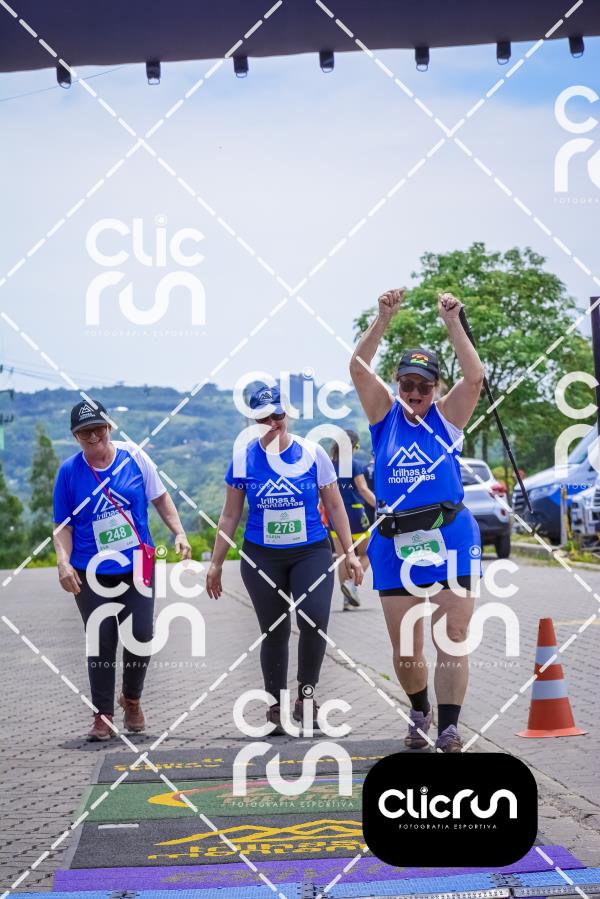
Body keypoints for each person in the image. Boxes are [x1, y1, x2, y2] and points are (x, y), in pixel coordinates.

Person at [349, 290, 484, 753]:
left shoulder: (447, 418)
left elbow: (475, 376)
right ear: (397, 383)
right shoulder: (384, 417)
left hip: (450, 536)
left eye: (424, 386)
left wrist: (453, 322)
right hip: (395, 542)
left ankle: (449, 727)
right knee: (407, 647)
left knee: (453, 634)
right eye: (407, 384)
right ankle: (419, 709)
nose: (414, 393)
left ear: (436, 388)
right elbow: (357, 368)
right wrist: (382, 318)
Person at [206, 385, 363, 733]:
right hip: (262, 556)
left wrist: (350, 554)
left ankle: (306, 698)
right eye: (264, 418)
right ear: (254, 421)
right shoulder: (244, 458)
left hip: (311, 551)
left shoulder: (312, 453)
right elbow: (230, 515)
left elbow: (335, 505)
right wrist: (216, 563)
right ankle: (276, 706)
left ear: (287, 414)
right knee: (274, 630)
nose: (273, 423)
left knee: (314, 620)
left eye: (277, 415)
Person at [53, 400, 192, 741]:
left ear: (109, 427)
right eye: (85, 432)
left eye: (98, 428)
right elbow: (63, 526)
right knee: (101, 638)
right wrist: (63, 561)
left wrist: (179, 533)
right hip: (90, 568)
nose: (93, 436)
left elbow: (160, 498)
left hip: (138, 562)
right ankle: (103, 716)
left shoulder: (135, 458)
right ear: (75, 436)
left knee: (141, 634)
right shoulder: (69, 473)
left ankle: (131, 698)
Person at [328, 429, 375, 610]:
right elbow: (362, 489)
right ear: (353, 446)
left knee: (343, 557)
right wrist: (381, 506)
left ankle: (347, 600)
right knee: (369, 551)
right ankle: (351, 584)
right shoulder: (353, 465)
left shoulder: (329, 465)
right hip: (355, 513)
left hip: (334, 516)